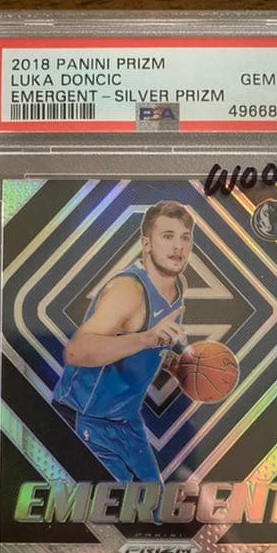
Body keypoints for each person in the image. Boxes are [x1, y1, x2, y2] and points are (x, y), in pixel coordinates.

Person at [52, 201, 194, 484]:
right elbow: (76, 351)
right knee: (118, 507)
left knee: (155, 505)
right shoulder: (128, 290)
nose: (178, 246)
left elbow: (140, 348)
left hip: (126, 421)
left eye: (185, 237)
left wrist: (170, 362)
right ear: (146, 244)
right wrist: (146, 339)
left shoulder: (177, 288)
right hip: (85, 418)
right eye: (167, 236)